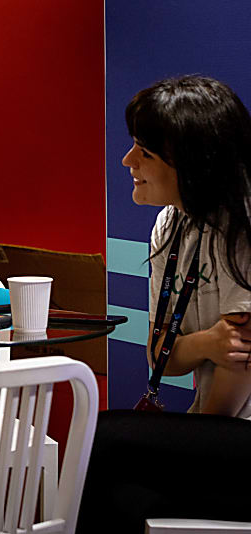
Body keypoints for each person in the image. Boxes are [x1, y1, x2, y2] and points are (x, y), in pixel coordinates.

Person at [76, 75, 251, 533]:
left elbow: (237, 367)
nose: (127, 161)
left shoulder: (244, 226)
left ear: (194, 164)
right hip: (218, 439)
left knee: (104, 435)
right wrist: (208, 341)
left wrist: (184, 448)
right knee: (125, 500)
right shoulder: (169, 225)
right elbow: (161, 355)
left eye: (145, 153)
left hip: (236, 433)